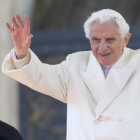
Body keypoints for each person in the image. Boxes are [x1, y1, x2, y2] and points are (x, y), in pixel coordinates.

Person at [1, 9, 140, 140]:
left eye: (110, 40)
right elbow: (40, 76)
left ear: (125, 39)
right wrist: (21, 52)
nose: (102, 47)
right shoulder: (76, 63)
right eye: (96, 40)